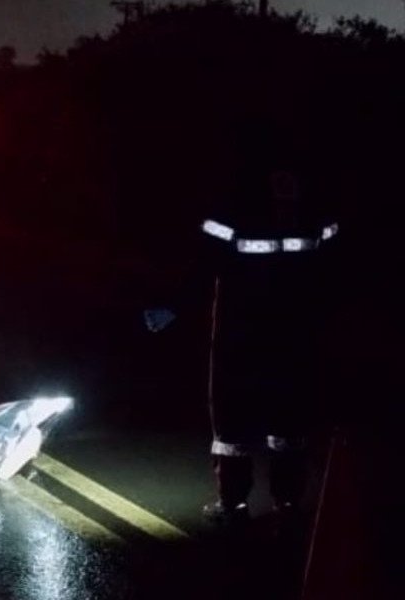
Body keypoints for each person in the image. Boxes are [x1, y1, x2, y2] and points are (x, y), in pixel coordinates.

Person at [145, 123, 340, 525]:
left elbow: (204, 260)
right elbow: (335, 260)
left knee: (234, 415)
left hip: (243, 326)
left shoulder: (235, 197)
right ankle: (288, 501)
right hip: (297, 325)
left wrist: (173, 307)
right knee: (290, 413)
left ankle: (232, 502)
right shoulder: (314, 196)